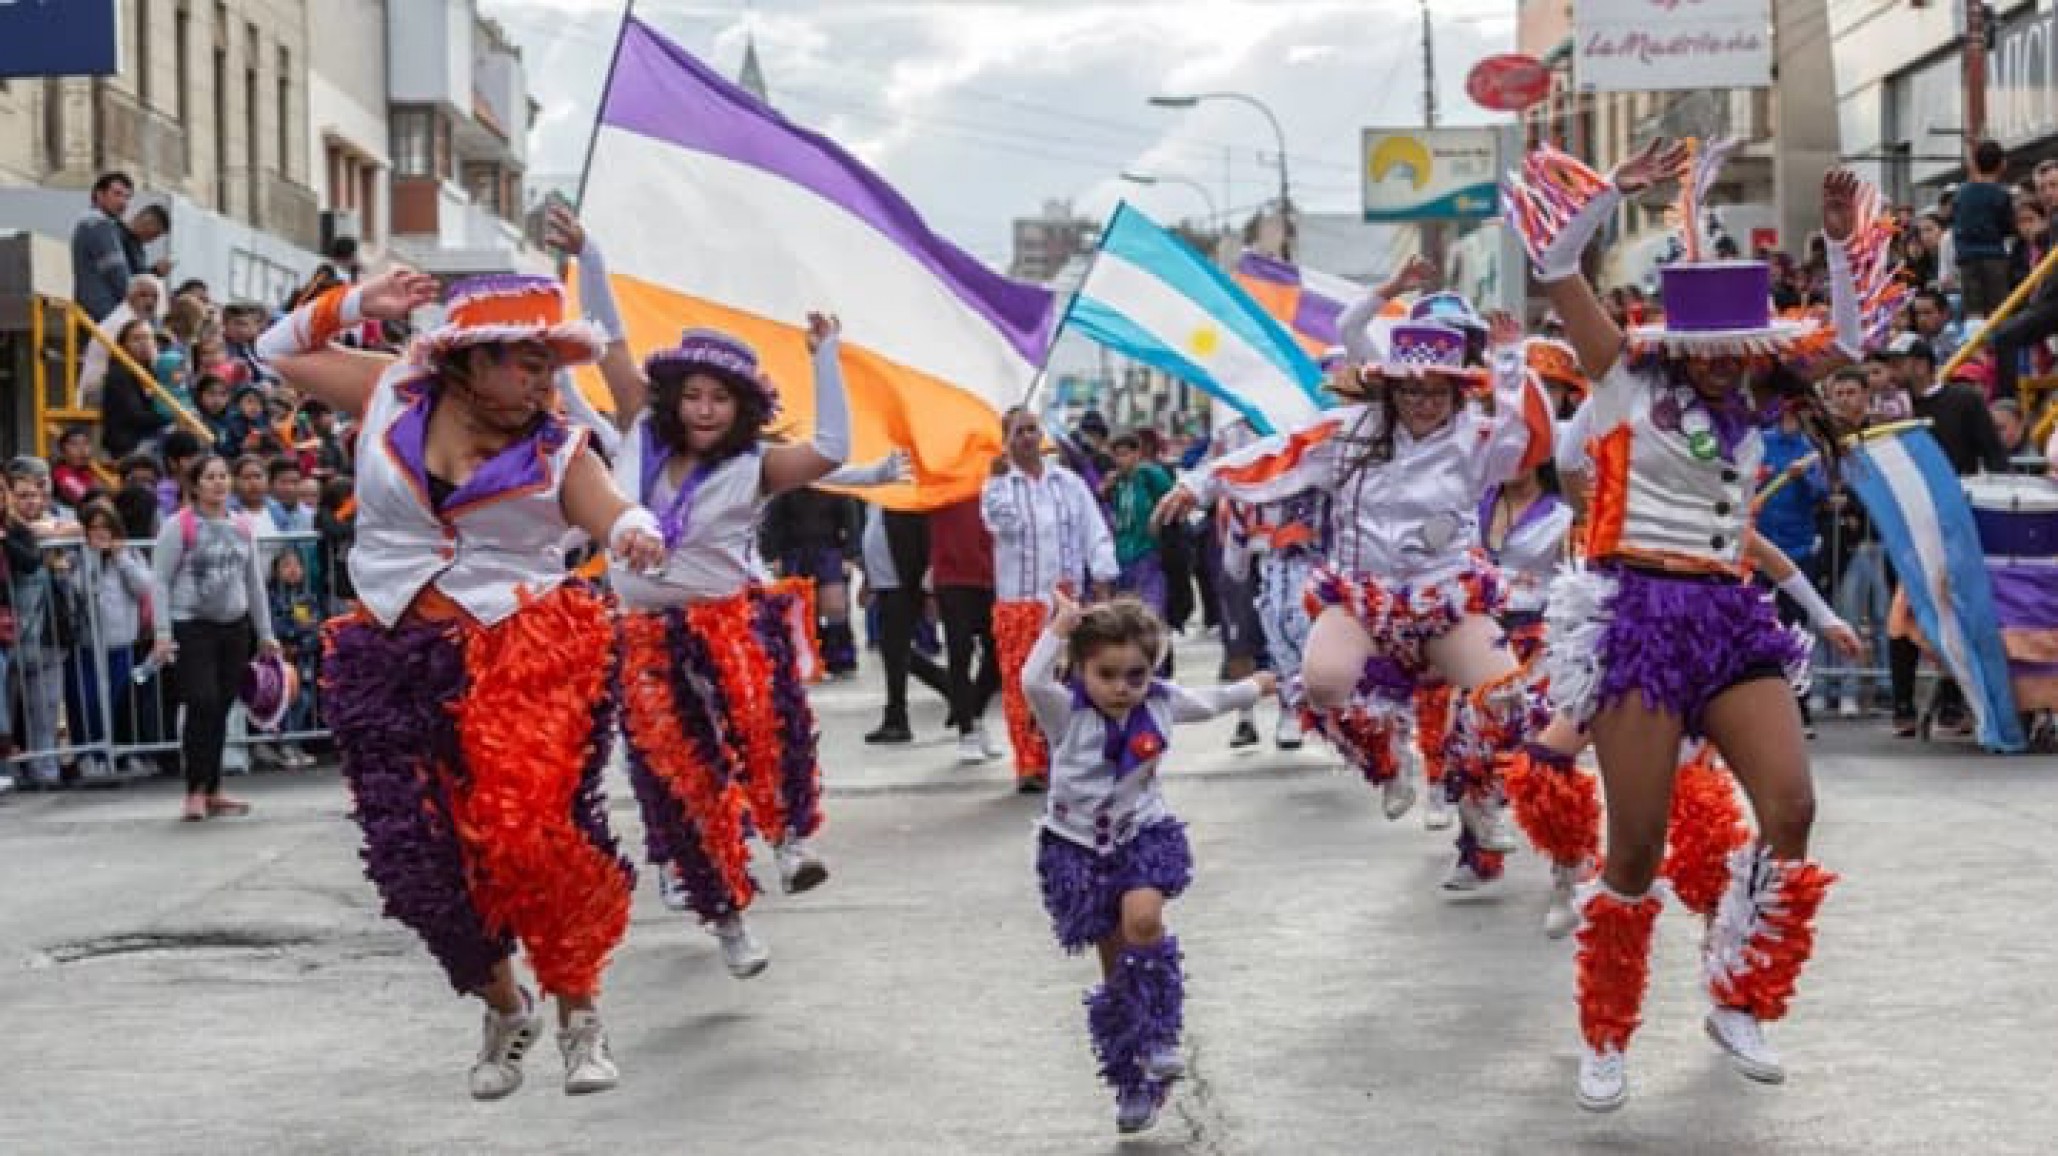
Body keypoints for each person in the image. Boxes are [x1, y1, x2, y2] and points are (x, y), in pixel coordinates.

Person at [1507, 137, 1875, 1111]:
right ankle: (1606, 1030)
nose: (1724, 371)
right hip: (1641, 616)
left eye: (1738, 355)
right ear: (1682, 347)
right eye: (1709, 355)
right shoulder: (1627, 381)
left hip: (1729, 616)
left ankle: (1739, 991)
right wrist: (1606, 196)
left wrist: (1837, 247)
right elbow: (1554, 272)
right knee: (1635, 849)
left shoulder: (1758, 398)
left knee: (1790, 808)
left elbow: (1844, 348)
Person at [258, 265, 665, 1100]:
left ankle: (579, 1015)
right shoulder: (391, 393)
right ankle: (504, 1005)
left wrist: (633, 530)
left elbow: (612, 507)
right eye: (523, 359)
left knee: (529, 839)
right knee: (412, 858)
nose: (541, 378)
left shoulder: (559, 444)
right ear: (468, 362)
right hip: (387, 650)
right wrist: (353, 304)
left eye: (551, 361)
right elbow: (277, 349)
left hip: (521, 650)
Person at [1156, 312, 1545, 891]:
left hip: (1445, 596)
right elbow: (1279, 454)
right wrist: (1199, 483)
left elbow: (1530, 439)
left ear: (1455, 390)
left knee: (1508, 695)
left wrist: (1511, 362)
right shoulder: (1348, 433)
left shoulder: (1475, 438)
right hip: (1364, 597)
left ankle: (1477, 800)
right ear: (1389, 387)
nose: (1422, 402)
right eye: (1410, 389)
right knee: (1323, 683)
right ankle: (1390, 760)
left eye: (1436, 390)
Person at [556, 208, 844, 978]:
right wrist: (593, 253)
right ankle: (728, 920)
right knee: (679, 773)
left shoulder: (756, 466)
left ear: (741, 407)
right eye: (695, 396)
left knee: (763, 724)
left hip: (728, 620)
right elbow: (612, 343)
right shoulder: (640, 431)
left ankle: (790, 843)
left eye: (722, 398)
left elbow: (835, 450)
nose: (706, 410)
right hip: (643, 632)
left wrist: (825, 358)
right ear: (676, 396)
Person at [1027, 592, 1274, 1135]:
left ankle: (1161, 1037)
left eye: (1135, 675)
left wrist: (1256, 686)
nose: (1121, 688)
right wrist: (1059, 631)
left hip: (1142, 833)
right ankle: (1133, 1082)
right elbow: (1030, 680)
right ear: (1082, 669)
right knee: (1117, 973)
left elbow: (1210, 702)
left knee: (1143, 922)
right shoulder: (1065, 711)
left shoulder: (1160, 702)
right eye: (1107, 674)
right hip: (1076, 850)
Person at [1879, 332, 2011, 735]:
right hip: (1904, 525)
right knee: (1901, 612)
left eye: (1899, 363)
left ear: (1920, 363)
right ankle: (1903, 702)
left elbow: (1993, 454)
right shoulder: (1891, 409)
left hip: (1954, 527)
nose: (1893, 372)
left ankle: (1954, 700)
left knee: (1957, 611)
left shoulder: (1963, 400)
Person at [985, 406, 1119, 792]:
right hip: (1019, 601)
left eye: (1032, 430)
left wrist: (1102, 577)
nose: (1028, 437)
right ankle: (1028, 763)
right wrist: (997, 484)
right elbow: (1001, 523)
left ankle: (1069, 756)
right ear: (1007, 440)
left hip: (1065, 601)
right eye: (1019, 432)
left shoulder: (1068, 483)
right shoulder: (999, 485)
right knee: (1022, 682)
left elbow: (1093, 529)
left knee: (1068, 681)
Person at [148, 454, 276, 820]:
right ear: (195, 484)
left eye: (223, 476)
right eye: (210, 477)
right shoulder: (179, 526)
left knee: (221, 707)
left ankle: (215, 787)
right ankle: (194, 789)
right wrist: (162, 632)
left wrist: (266, 632)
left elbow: (253, 583)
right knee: (200, 703)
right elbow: (159, 580)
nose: (219, 483)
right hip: (191, 626)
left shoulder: (241, 526)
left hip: (233, 627)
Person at [66, 500, 156, 781]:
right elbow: (78, 589)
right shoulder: (76, 557)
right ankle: (88, 755)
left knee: (119, 702)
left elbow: (144, 586)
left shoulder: (130, 554)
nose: (101, 534)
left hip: (122, 643)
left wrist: (121, 559)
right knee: (88, 702)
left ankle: (119, 753)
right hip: (87, 646)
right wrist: (92, 556)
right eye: (94, 529)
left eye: (106, 528)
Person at [928, 493, 1004, 764]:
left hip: (992, 575)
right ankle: (967, 731)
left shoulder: (994, 480)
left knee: (997, 653)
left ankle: (974, 713)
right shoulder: (942, 479)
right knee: (960, 652)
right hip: (952, 577)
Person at [1101, 431, 1176, 620]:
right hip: (1122, 556)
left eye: (1125, 454)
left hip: (1148, 552)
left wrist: (1159, 519)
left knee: (1150, 611)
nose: (1120, 460)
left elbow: (1173, 499)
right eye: (1116, 455)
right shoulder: (1117, 482)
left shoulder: (1151, 475)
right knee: (1127, 616)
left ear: (1137, 454)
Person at [1953, 140, 2015, 318]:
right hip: (1994, 257)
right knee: (1998, 311)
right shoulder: (2001, 194)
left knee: (1973, 312)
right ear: (2002, 164)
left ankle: (1976, 344)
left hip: (1967, 259)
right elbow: (2007, 227)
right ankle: (1997, 345)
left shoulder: (1961, 193)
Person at [70, 172, 136, 323]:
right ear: (99, 195)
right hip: (104, 315)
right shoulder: (98, 225)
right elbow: (118, 275)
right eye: (117, 194)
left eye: (127, 197)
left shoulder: (88, 225)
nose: (123, 202)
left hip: (94, 314)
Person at [50, 426, 102, 510]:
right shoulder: (61, 474)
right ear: (63, 452)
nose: (82, 450)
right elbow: (87, 498)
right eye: (74, 444)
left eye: (86, 443)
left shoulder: (89, 471)